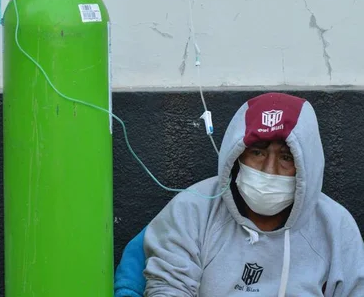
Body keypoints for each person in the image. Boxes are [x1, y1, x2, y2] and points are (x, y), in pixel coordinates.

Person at [114, 92, 364, 296]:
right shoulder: (194, 208)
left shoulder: (335, 226)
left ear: (306, 165)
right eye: (257, 152)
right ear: (236, 156)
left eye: (286, 157)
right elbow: (168, 288)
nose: (269, 170)